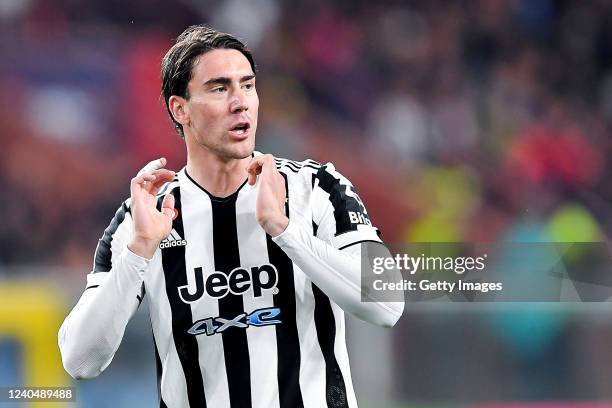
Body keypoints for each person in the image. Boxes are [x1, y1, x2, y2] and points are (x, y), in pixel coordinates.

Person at [58, 24, 404, 408]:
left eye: (248, 85)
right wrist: (138, 251)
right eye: (219, 88)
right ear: (181, 109)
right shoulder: (143, 216)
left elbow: (386, 303)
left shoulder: (317, 187)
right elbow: (80, 360)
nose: (240, 101)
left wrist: (284, 230)